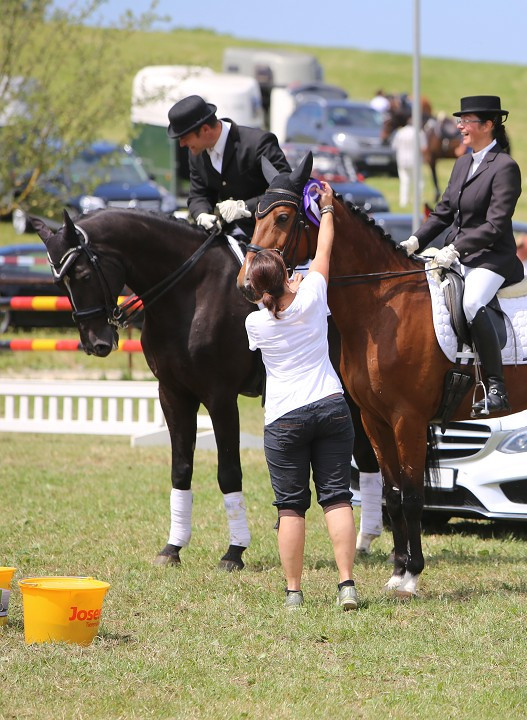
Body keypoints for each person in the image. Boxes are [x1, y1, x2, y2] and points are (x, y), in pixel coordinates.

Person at [244, 180, 358, 611]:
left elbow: (264, 303)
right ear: (289, 276)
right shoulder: (312, 295)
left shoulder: (256, 326)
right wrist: (326, 209)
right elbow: (323, 251)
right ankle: (346, 583)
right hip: (330, 405)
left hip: (284, 419)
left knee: (290, 509)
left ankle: (294, 591)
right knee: (336, 497)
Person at [400, 95, 523, 417]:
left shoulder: (505, 167)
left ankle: (497, 387)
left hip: (491, 258)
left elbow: (496, 224)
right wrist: (412, 242)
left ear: (488, 125)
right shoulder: (462, 163)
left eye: (467, 121)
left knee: (471, 303)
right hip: (457, 254)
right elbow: (442, 214)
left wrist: (455, 248)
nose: (459, 127)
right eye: (460, 120)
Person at [167, 94, 290, 239]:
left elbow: (287, 188)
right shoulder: (196, 154)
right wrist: (202, 214)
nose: (182, 144)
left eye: (184, 137)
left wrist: (244, 207)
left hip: (274, 234)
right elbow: (198, 194)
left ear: (205, 129)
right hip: (230, 234)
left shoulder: (258, 143)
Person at [391, 118, 427, 208]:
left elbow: (394, 146)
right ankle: (417, 200)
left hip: (402, 159)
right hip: (415, 160)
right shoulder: (419, 132)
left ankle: (404, 201)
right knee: (418, 181)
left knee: (404, 181)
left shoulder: (401, 132)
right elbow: (424, 148)